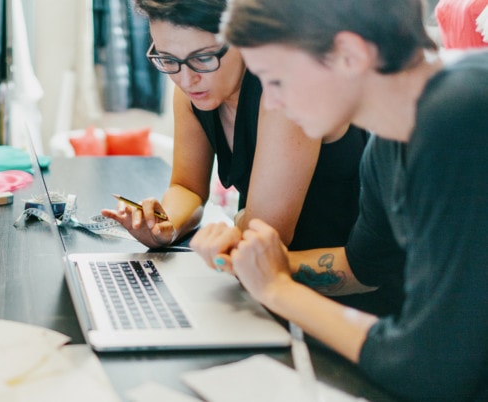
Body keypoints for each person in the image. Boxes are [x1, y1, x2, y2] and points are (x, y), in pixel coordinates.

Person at [194, 0, 488, 400]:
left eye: (277, 81)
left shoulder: (459, 121)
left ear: (349, 55)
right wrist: (256, 263)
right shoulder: (389, 141)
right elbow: (363, 266)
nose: (273, 104)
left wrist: (279, 290)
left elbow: (431, 368)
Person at [100, 0, 381, 304]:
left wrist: (240, 222)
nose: (185, 79)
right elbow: (187, 187)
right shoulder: (192, 90)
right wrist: (164, 226)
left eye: (204, 58)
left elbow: (266, 233)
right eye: (167, 59)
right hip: (260, 282)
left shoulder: (283, 91)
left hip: (339, 294)